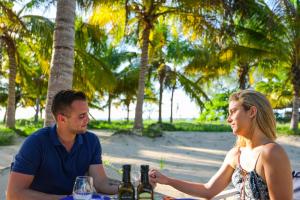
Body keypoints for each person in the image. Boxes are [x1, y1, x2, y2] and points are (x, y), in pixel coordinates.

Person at [149, 90, 293, 200]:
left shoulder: (271, 153)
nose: (228, 119)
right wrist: (167, 181)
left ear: (252, 112)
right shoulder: (236, 154)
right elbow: (208, 190)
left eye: (233, 112)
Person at [6, 90, 119, 200]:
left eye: (87, 114)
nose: (87, 120)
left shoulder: (91, 141)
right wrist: (65, 199)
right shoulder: (36, 143)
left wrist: (129, 187)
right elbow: (13, 194)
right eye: (81, 116)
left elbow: (101, 182)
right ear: (62, 119)